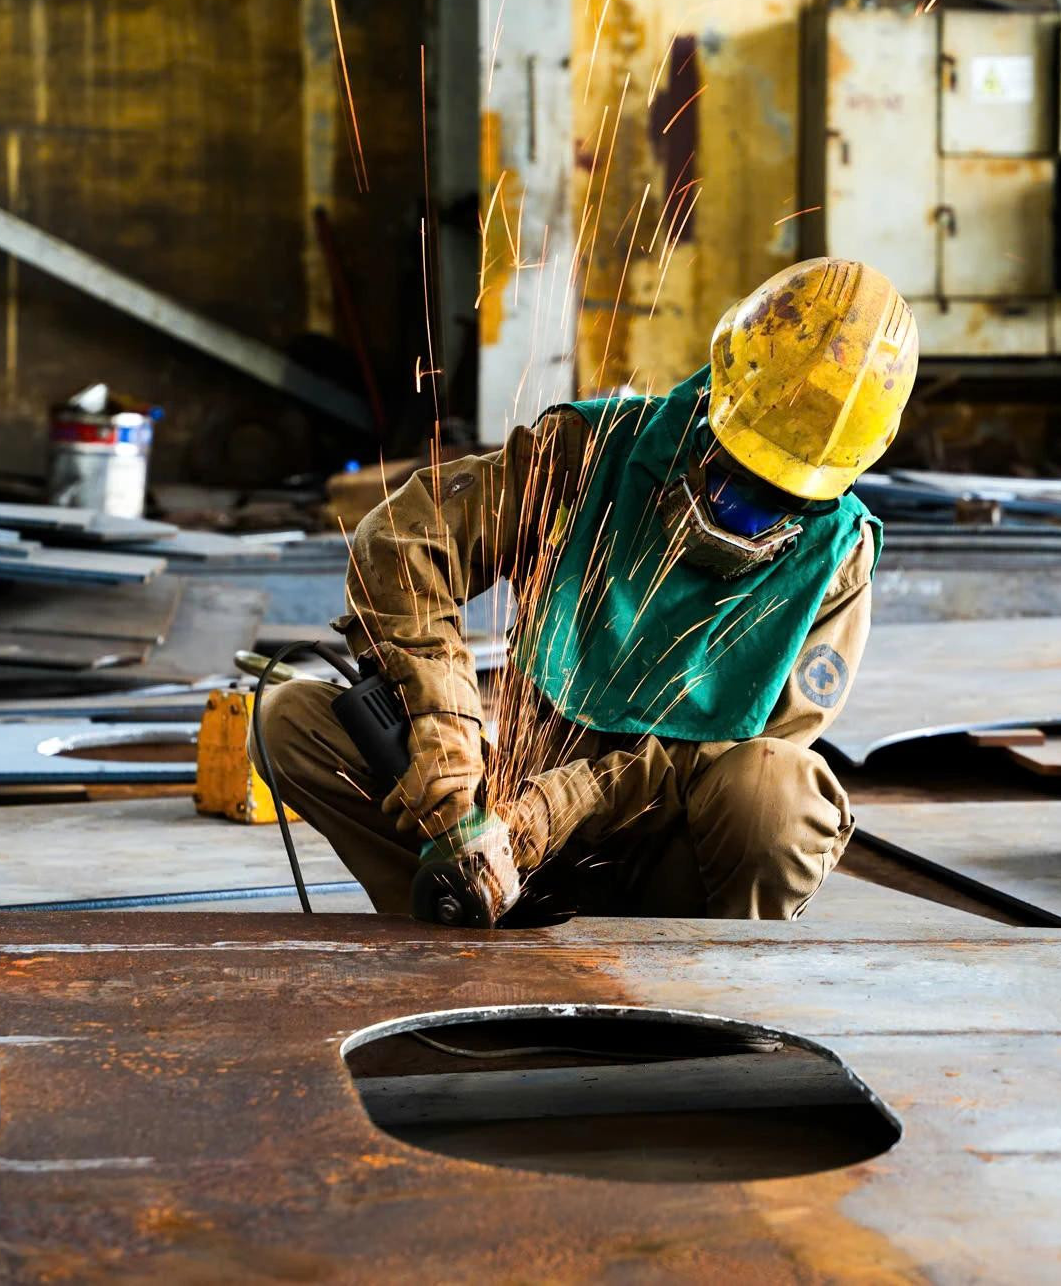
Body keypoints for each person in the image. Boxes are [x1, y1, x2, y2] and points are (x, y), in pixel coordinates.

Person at [253, 258, 917, 927]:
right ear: (719, 398)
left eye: (773, 499)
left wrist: (566, 800)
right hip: (498, 814)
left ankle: (710, 991)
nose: (732, 508)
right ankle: (458, 918)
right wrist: (445, 725)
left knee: (780, 795)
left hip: (668, 863)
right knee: (289, 720)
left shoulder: (833, 561)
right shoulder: (593, 451)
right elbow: (402, 540)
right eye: (729, 468)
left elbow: (745, 748)